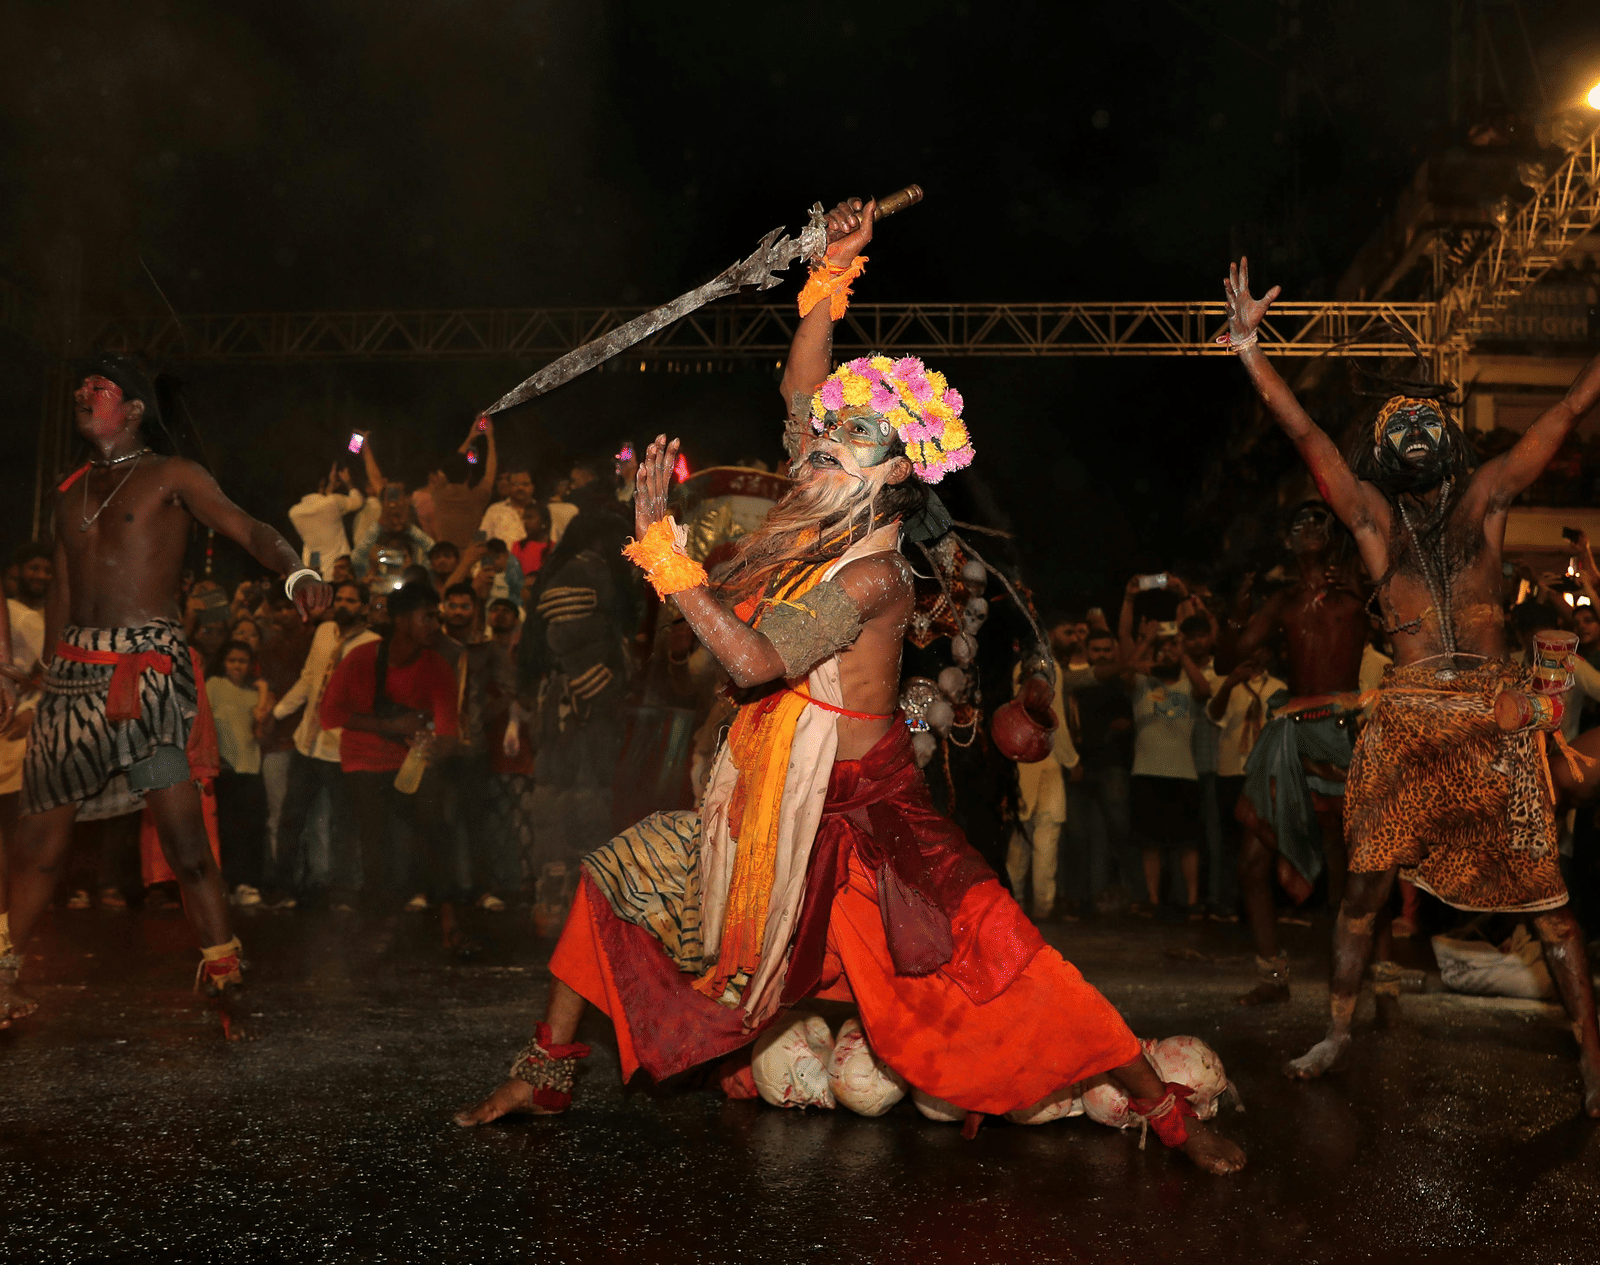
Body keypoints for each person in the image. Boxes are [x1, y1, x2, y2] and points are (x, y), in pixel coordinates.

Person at [456, 199, 1244, 1174]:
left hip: (871, 815)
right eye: (817, 444)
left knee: (1005, 958)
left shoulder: (872, 574)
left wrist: (671, 563)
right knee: (611, 878)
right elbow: (802, 389)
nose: (810, 453)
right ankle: (548, 1067)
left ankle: (1165, 1110)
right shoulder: (819, 509)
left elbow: (748, 662)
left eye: (832, 450)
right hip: (762, 805)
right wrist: (825, 279)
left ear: (882, 481)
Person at [1222, 256, 1600, 1111]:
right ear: (1383, 454)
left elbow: (1571, 407)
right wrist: (1250, 350)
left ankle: (1592, 1062)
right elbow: (1308, 438)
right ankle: (1339, 1030)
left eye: (1425, 416)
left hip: (1493, 719)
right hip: (1406, 722)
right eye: (1396, 421)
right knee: (1362, 888)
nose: (1412, 426)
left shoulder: (1490, 501)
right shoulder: (1370, 520)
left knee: (1550, 902)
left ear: (1449, 439)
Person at [0, 353, 331, 1036]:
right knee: (40, 846)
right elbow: (61, 594)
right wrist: (38, 685)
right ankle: (2, 967)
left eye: (100, 386)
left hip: (144, 682)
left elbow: (245, 526)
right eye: (80, 386)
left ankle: (223, 967)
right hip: (72, 685)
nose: (83, 393)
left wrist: (295, 569)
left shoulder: (171, 476)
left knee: (182, 833)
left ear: (134, 409)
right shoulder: (69, 494)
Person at [1222, 501, 1370, 1004]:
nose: (1306, 530)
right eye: (1297, 525)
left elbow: (1404, 629)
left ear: (1334, 535)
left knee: (1368, 864)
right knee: (1251, 860)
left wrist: (1371, 597)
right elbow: (1229, 659)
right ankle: (1272, 977)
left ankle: (1385, 986)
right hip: (1291, 731)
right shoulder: (1282, 603)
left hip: (1344, 731)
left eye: (1316, 522)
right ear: (1288, 542)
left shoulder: (1357, 594)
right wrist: (1236, 614)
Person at [318, 582, 460, 922]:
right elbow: (329, 714)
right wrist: (391, 727)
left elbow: (448, 731)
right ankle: (380, 910)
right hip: (364, 758)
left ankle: (439, 905)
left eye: (435, 618)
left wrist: (432, 747)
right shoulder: (362, 658)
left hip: (408, 759)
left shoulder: (436, 666)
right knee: (374, 832)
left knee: (433, 821)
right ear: (400, 620)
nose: (434, 626)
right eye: (426, 617)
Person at [265, 579, 378, 909]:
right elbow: (308, 678)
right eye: (340, 599)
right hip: (307, 744)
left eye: (352, 601)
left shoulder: (372, 645)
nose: (343, 605)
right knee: (291, 817)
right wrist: (279, 710)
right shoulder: (324, 631)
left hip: (341, 748)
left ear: (365, 608)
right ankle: (283, 888)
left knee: (343, 822)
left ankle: (343, 891)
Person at [1119, 587, 1212, 917]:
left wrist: (1181, 652)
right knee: (1150, 843)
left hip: (1183, 772)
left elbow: (1205, 690)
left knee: (1187, 843)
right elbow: (1126, 671)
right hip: (1146, 770)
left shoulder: (1187, 680)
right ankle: (1153, 901)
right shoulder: (1142, 684)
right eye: (1165, 648)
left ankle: (1191, 901)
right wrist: (1147, 640)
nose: (1168, 652)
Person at [205, 641, 270, 906]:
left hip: (250, 767)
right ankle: (228, 884)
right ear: (224, 662)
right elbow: (205, 722)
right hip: (224, 767)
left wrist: (264, 692)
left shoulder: (254, 694)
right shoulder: (215, 687)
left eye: (242, 661)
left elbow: (260, 730)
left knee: (249, 828)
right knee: (227, 830)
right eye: (232, 660)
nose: (237, 666)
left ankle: (245, 883)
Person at [429, 416, 499, 549]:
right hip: (467, 559)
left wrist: (471, 436)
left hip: (443, 555)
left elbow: (451, 465)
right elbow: (490, 473)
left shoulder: (438, 493)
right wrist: (490, 438)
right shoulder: (476, 497)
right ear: (469, 475)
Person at [288, 464, 364, 579]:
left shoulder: (294, 513)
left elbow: (321, 505)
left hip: (314, 574)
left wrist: (330, 487)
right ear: (322, 483)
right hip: (338, 573)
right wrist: (349, 483)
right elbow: (358, 502)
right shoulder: (333, 502)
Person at [479, 465, 535, 546]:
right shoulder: (494, 510)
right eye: (516, 484)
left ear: (533, 487)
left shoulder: (541, 510)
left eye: (525, 484)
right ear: (509, 486)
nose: (520, 488)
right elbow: (480, 540)